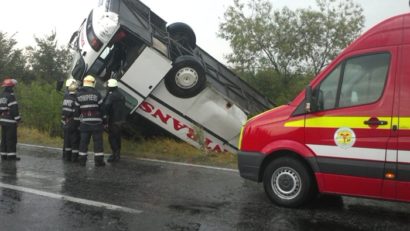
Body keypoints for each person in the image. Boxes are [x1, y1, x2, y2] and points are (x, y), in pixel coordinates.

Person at [75, 75, 106, 166]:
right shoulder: (97, 94)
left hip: (84, 124)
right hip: (97, 123)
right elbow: (102, 108)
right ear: (93, 83)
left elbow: (76, 111)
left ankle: (82, 161)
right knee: (98, 143)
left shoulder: (78, 94)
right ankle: (99, 162)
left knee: (83, 143)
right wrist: (104, 121)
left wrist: (79, 122)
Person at [103, 79, 126, 162]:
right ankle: (117, 154)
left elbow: (106, 107)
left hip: (114, 121)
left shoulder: (111, 96)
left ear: (110, 87)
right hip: (122, 120)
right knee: (118, 137)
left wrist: (104, 118)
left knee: (112, 138)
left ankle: (115, 155)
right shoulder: (121, 95)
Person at [0, 78, 21, 161]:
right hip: (10, 121)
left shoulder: (2, 96)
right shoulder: (11, 96)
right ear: (11, 87)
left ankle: (3, 155)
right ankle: (11, 156)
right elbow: (14, 110)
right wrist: (18, 119)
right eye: (13, 87)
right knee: (11, 139)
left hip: (3, 120)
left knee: (4, 138)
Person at [61, 78, 80, 162]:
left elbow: (64, 111)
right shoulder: (76, 98)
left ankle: (66, 156)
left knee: (67, 141)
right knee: (74, 141)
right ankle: (74, 158)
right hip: (73, 122)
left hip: (66, 121)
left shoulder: (66, 98)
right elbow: (76, 112)